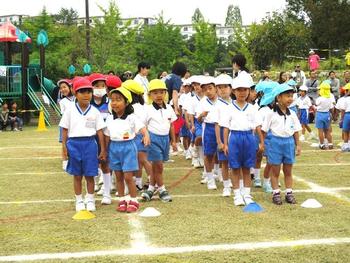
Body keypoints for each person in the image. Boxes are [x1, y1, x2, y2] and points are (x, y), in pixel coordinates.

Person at [59, 77, 107, 212]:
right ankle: (79, 200)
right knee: (77, 175)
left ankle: (90, 199)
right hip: (74, 144)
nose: (86, 95)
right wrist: (64, 148)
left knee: (90, 174)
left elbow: (100, 132)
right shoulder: (69, 110)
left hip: (90, 144)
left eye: (89, 91)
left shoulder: (95, 111)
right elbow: (64, 130)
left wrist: (103, 149)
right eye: (82, 92)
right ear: (75, 93)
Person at [220, 73, 264, 206]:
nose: (242, 92)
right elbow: (226, 127)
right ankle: (237, 194)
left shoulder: (252, 108)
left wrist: (261, 141)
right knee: (234, 167)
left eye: (245, 89)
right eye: (239, 90)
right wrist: (225, 144)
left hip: (249, 138)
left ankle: (247, 194)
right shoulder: (229, 108)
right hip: (235, 138)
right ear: (234, 91)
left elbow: (257, 126)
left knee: (246, 167)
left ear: (249, 91)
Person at [104, 87, 150, 213]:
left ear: (126, 102)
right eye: (112, 100)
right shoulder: (109, 118)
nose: (114, 103)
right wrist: (104, 150)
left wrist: (146, 136)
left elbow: (142, 129)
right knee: (118, 176)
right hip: (114, 147)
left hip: (128, 147)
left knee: (128, 177)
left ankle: (134, 200)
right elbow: (107, 136)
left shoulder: (131, 118)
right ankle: (122, 199)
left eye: (118, 100)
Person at [262, 83, 302, 205]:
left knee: (288, 170)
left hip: (289, 142)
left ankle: (289, 192)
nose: (290, 99)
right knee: (275, 170)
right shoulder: (271, 113)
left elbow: (295, 130)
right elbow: (264, 130)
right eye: (287, 96)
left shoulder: (293, 114)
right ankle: (276, 193)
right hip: (275, 143)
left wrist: (298, 145)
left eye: (291, 96)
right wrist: (262, 144)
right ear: (278, 97)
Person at [141, 79, 177, 203]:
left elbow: (171, 125)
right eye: (155, 93)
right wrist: (146, 137)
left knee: (158, 167)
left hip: (165, 139)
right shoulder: (148, 109)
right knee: (158, 165)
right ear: (150, 95)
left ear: (165, 93)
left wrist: (173, 141)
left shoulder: (169, 109)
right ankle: (162, 190)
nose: (159, 95)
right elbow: (143, 125)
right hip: (153, 139)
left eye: (161, 92)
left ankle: (151, 189)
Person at [122, 80, 152, 191]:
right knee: (138, 161)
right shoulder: (142, 106)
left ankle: (153, 181)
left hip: (138, 136)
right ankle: (138, 183)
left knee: (143, 159)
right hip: (140, 135)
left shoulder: (133, 108)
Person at [89, 73, 112, 204]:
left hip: (106, 139)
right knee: (92, 164)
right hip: (91, 139)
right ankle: (95, 184)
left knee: (105, 164)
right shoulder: (88, 104)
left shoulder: (109, 103)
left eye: (102, 86)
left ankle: (107, 192)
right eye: (97, 86)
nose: (100, 88)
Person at [196, 76, 219, 190]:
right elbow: (198, 120)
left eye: (210, 88)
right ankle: (210, 178)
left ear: (216, 88)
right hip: (209, 128)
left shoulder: (222, 101)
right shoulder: (202, 102)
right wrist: (202, 115)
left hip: (222, 128)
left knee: (222, 153)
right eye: (205, 90)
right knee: (208, 154)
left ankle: (221, 175)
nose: (208, 91)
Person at [214, 74, 233, 197]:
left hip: (235, 134)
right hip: (223, 135)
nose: (223, 90)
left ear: (231, 88)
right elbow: (217, 125)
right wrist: (220, 142)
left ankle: (238, 185)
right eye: (220, 87)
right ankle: (226, 186)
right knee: (225, 162)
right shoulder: (217, 105)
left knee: (236, 162)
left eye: (225, 87)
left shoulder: (235, 103)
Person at [315, 81, 334, 150]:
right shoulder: (329, 98)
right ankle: (330, 143)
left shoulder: (319, 98)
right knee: (327, 130)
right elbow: (331, 107)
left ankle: (322, 144)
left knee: (320, 131)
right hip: (327, 114)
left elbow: (316, 104)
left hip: (320, 114)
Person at [339, 83, 350, 151]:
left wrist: (342, 119)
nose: (345, 92)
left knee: (345, 131)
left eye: (346, 90)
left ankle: (346, 146)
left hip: (347, 115)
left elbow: (343, 110)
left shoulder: (346, 99)